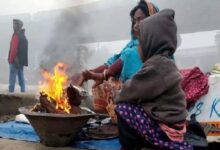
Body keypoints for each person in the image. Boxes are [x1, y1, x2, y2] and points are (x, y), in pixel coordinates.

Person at [114, 9, 192, 150]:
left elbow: (132, 90)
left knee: (123, 108)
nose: (139, 48)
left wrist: (116, 95)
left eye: (141, 44)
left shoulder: (157, 66)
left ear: (152, 43)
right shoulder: (166, 62)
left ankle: (131, 147)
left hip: (166, 129)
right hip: (174, 124)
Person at [73, 0, 159, 87]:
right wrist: (88, 73)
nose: (135, 25)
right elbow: (112, 63)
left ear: (152, 20)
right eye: (134, 21)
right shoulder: (131, 44)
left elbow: (126, 56)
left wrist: (103, 75)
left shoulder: (159, 47)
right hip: (128, 94)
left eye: (140, 19)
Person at [8, 19, 28, 92]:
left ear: (18, 26)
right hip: (20, 61)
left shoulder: (16, 35)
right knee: (21, 77)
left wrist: (10, 60)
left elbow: (14, 49)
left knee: (12, 77)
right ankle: (23, 91)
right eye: (13, 24)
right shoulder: (23, 35)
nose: (13, 26)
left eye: (15, 24)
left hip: (14, 61)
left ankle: (10, 92)